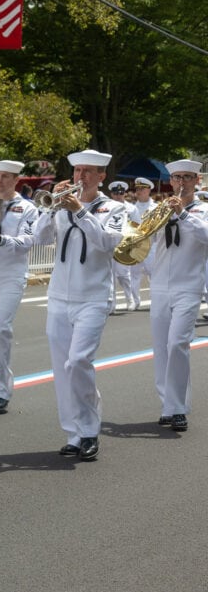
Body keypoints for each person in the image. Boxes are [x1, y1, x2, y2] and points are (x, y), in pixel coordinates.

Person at [32, 149, 126, 462]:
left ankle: (89, 428)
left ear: (101, 176)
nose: (80, 177)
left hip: (94, 297)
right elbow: (39, 240)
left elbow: (109, 244)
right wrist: (50, 208)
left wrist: (81, 213)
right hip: (59, 296)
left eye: (88, 172)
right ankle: (73, 433)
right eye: (77, 171)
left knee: (78, 363)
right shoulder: (61, 206)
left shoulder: (113, 208)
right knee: (62, 368)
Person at [148, 160, 208, 432]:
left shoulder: (203, 210)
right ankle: (168, 406)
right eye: (176, 178)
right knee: (161, 348)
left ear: (196, 180)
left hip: (188, 287)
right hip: (159, 286)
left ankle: (179, 407)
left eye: (186, 177)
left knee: (177, 345)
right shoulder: (159, 209)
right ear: (170, 182)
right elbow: (146, 243)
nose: (180, 182)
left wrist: (183, 214)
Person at [0, 160, 39, 415]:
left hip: (10, 275)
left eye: (5, 177)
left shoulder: (26, 208)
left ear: (16, 180)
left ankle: (2, 389)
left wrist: (2, 240)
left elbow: (29, 240)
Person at [107, 181, 138, 312]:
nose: (118, 195)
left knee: (123, 275)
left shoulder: (131, 208)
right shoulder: (107, 206)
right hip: (109, 244)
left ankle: (130, 298)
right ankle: (112, 303)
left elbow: (137, 226)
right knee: (110, 276)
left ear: (124, 193)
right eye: (115, 193)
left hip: (124, 244)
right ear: (111, 194)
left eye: (121, 193)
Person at [128, 177, 158, 309]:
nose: (139, 191)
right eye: (137, 189)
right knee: (134, 275)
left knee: (154, 275)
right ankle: (135, 301)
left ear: (149, 190)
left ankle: (154, 301)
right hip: (136, 246)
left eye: (142, 189)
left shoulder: (156, 207)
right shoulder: (131, 208)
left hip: (151, 246)